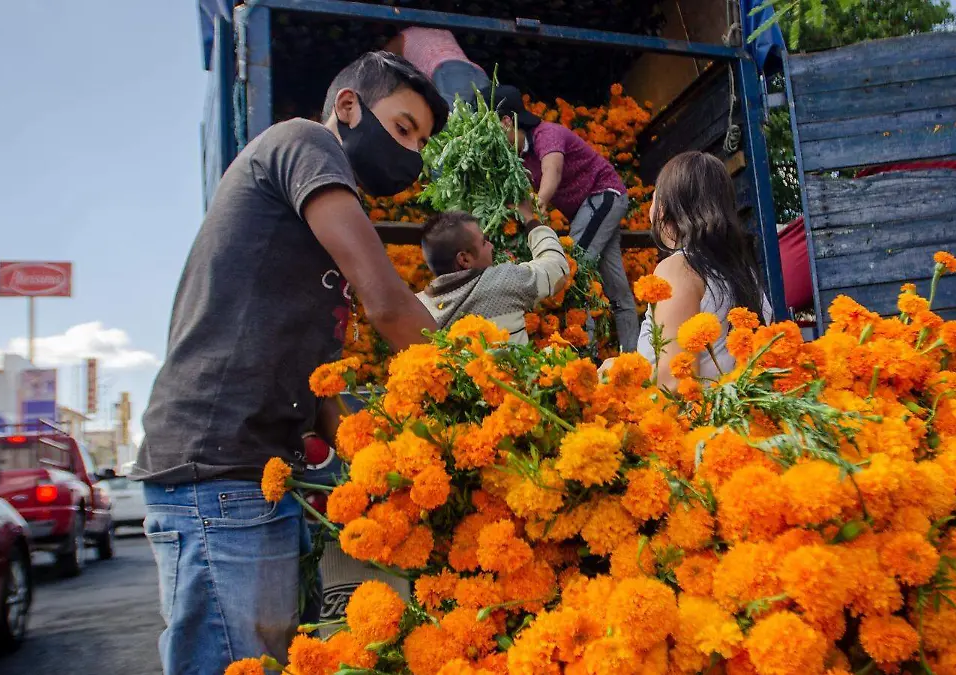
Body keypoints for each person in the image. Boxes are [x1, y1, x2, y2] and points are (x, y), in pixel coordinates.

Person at [131, 52, 448, 675]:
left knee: (268, 658)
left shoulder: (312, 230)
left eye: (420, 143)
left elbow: (320, 377)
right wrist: (473, 381)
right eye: (403, 128)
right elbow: (387, 302)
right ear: (350, 106)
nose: (410, 154)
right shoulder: (305, 143)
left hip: (258, 472)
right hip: (217, 470)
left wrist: (376, 463)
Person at [481, 84, 640, 353]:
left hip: (604, 196)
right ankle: (635, 356)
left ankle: (584, 356)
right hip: (586, 213)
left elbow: (551, 171)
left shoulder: (548, 134)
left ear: (506, 121)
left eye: (488, 125)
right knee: (616, 288)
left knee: (571, 269)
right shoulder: (518, 156)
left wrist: (538, 206)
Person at [629, 151, 774, 388]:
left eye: (654, 199)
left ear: (665, 209)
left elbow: (676, 380)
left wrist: (619, 374)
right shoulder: (742, 271)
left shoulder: (679, 268)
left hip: (694, 421)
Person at [417, 205, 569, 342]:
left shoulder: (417, 308)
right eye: (484, 242)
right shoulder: (502, 281)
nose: (491, 246)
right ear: (464, 259)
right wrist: (530, 220)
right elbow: (557, 269)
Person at [384, 26, 491, 107]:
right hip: (476, 72)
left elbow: (380, 64)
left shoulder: (402, 37)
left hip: (448, 73)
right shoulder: (444, 31)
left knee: (452, 125)